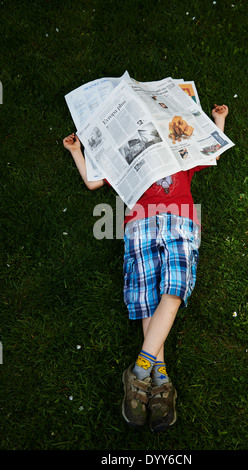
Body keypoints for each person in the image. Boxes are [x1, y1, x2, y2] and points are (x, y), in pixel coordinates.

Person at [63, 104, 229, 433]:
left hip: (180, 223)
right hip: (139, 227)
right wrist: (76, 150)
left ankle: (138, 372)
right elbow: (93, 182)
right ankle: (161, 381)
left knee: (175, 289)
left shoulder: (179, 158)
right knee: (147, 298)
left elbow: (212, 153)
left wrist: (219, 119)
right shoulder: (129, 159)